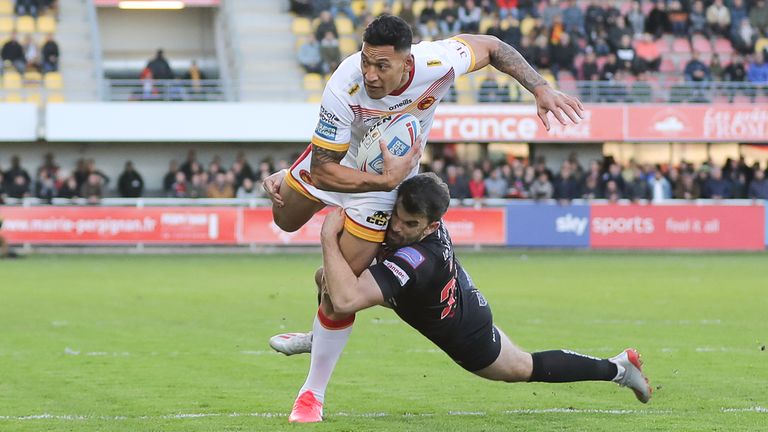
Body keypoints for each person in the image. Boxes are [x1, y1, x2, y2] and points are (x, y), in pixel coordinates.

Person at [262, 14, 583, 423]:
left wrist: (540, 87)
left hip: (385, 184)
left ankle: (312, 393)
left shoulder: (437, 62)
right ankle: (320, 332)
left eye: (382, 66)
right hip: (344, 162)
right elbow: (326, 169)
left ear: (407, 61)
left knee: (339, 291)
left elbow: (492, 46)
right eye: (366, 62)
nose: (371, 75)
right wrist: (376, 175)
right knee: (285, 220)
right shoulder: (346, 83)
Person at [271, 174, 652, 422]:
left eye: (410, 225)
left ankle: (618, 369)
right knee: (327, 279)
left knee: (523, 368)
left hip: (465, 330)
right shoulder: (410, 214)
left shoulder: (418, 256)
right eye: (397, 218)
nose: (398, 229)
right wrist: (291, 181)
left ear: (432, 226)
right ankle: (316, 339)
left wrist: (325, 237)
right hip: (436, 298)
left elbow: (349, 299)